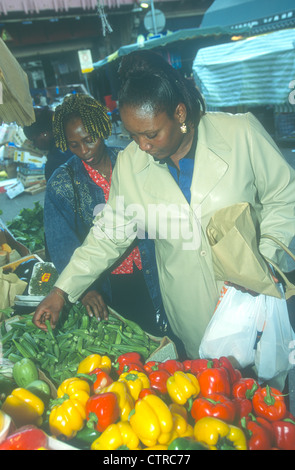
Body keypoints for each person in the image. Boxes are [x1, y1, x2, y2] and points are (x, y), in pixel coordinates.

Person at [33, 50, 295, 360]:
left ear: (180, 114)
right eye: (132, 135)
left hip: (255, 298)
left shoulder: (240, 134)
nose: (142, 146)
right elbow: (109, 234)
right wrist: (61, 290)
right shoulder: (131, 163)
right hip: (190, 310)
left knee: (266, 389)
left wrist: (263, 260)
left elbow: (285, 197)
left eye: (151, 134)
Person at [41, 93, 174, 342]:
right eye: (74, 144)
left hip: (152, 269)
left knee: (167, 334)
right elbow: (61, 245)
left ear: (102, 129)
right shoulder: (62, 183)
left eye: (89, 140)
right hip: (107, 284)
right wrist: (85, 290)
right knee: (130, 343)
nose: (84, 150)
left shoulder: (132, 161)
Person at [23, 106, 73, 181]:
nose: (34, 145)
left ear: (44, 134)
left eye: (34, 140)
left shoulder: (55, 162)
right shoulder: (72, 143)